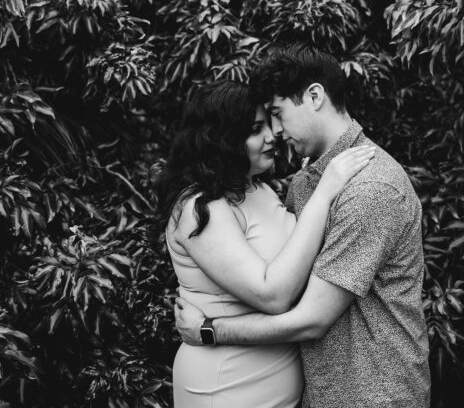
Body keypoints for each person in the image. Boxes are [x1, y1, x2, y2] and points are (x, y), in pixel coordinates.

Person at [175, 46, 431, 407]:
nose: (276, 132)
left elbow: (311, 319)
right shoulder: (306, 182)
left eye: (278, 114)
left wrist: (210, 330)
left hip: (372, 394)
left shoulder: (370, 188)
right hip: (319, 392)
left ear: (314, 96)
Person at [159, 80, 375, 407]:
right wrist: (326, 191)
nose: (272, 135)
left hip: (276, 383)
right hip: (226, 384)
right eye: (255, 129)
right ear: (223, 140)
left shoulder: (259, 190)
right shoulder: (199, 208)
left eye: (270, 124)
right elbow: (272, 295)